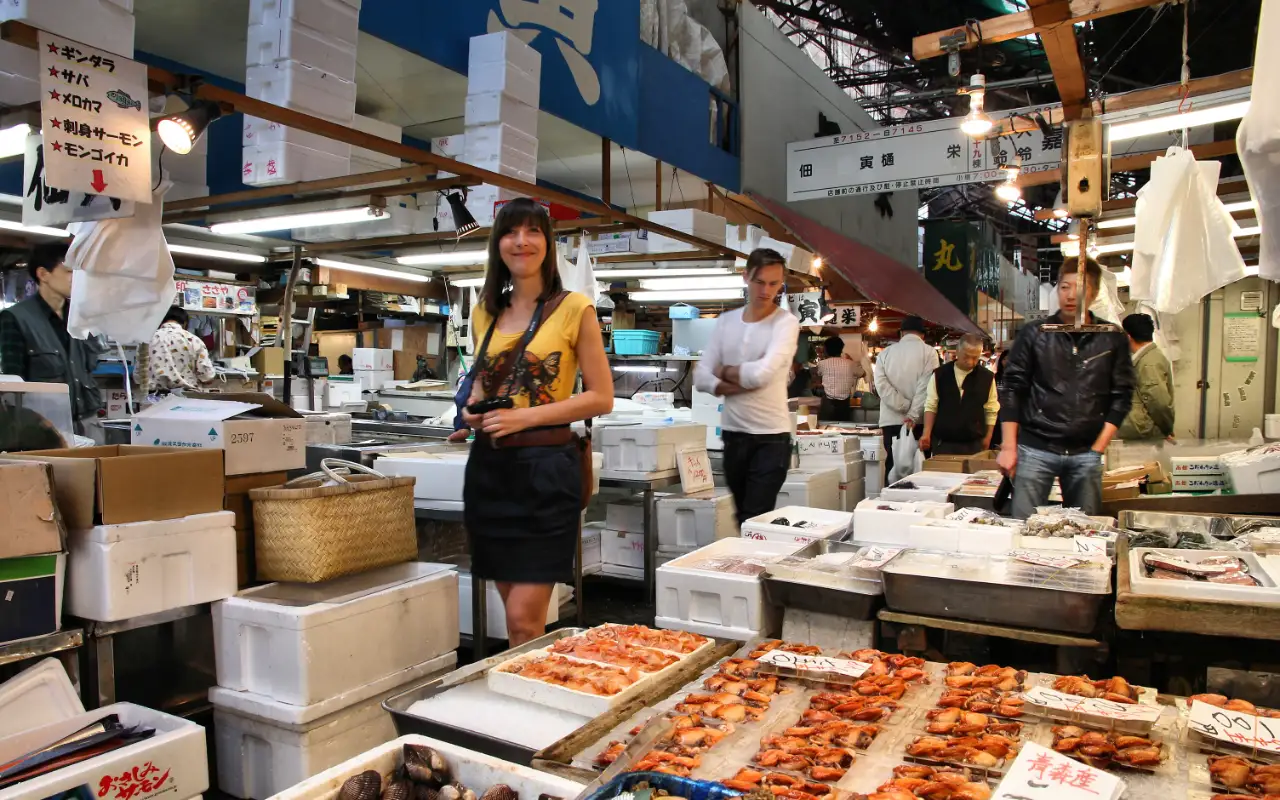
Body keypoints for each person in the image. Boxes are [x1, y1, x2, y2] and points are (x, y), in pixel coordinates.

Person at [457, 198, 613, 646]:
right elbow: (483, 385)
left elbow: (601, 398)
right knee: (512, 617)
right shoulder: (485, 311)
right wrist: (471, 410)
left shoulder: (574, 308)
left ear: (547, 242)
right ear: (498, 243)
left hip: (546, 472)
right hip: (490, 472)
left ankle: (530, 698)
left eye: (533, 231)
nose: (521, 241)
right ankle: (522, 695)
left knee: (527, 619)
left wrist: (523, 416)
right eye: (510, 232)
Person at [998, 256, 1135, 518]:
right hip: (1035, 448)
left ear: (1094, 293)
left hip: (1086, 452)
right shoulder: (1034, 333)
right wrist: (1008, 446)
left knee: (1086, 533)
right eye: (1064, 287)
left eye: (1080, 287)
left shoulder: (1111, 337)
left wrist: (1098, 449)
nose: (1071, 295)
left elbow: (1123, 395)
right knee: (1023, 529)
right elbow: (1013, 389)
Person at [695, 249, 799, 525]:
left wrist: (724, 371)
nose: (767, 290)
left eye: (775, 284)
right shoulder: (726, 322)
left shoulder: (786, 323)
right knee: (742, 516)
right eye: (760, 282)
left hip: (771, 438)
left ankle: (757, 566)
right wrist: (727, 384)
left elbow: (762, 375)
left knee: (756, 518)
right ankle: (750, 566)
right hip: (734, 436)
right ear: (745, 277)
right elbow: (701, 376)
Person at [0, 243, 103, 432]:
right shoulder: (16, 318)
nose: (75, 279)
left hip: (89, 422)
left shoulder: (81, 316)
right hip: (45, 428)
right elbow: (12, 386)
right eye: (68, 271)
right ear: (43, 274)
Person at [874, 316, 938, 476]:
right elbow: (927, 387)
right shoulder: (930, 353)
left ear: (901, 333)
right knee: (919, 469)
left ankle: (889, 499)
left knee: (893, 466)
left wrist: (902, 405)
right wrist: (912, 415)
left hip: (891, 420)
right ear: (922, 334)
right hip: (920, 422)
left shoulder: (885, 354)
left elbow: (881, 385)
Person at [919, 333, 999, 456]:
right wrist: (926, 433)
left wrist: (988, 437)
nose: (970, 362)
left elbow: (991, 410)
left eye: (975, 358)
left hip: (974, 444)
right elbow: (931, 405)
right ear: (957, 351)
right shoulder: (940, 375)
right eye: (966, 356)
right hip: (943, 443)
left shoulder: (987, 378)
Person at [1117, 313, 1175, 442]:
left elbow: (1159, 401)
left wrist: (1167, 429)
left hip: (1144, 433)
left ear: (1128, 336)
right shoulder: (1145, 358)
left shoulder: (1149, 363)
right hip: (1140, 431)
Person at [141, 306, 216, 393]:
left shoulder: (147, 340)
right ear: (185, 323)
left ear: (161, 320)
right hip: (186, 397)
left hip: (153, 397)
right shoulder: (194, 340)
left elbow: (138, 376)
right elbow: (207, 376)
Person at [812, 336, 871, 422]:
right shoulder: (851, 364)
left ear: (826, 350)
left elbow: (816, 377)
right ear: (841, 349)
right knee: (843, 430)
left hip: (827, 405)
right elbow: (863, 373)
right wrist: (851, 361)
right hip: (844, 406)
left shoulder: (821, 364)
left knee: (824, 429)